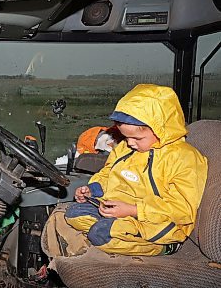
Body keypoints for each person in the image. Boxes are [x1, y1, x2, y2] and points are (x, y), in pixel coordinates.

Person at [64, 84, 208, 256]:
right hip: (122, 210)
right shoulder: (126, 147)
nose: (130, 143)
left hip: (160, 221)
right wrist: (93, 189)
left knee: (101, 235)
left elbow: (182, 209)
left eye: (137, 138)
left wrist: (134, 210)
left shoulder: (185, 158)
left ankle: (164, 247)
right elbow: (108, 172)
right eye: (126, 137)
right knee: (73, 214)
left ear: (162, 129)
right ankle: (115, 230)